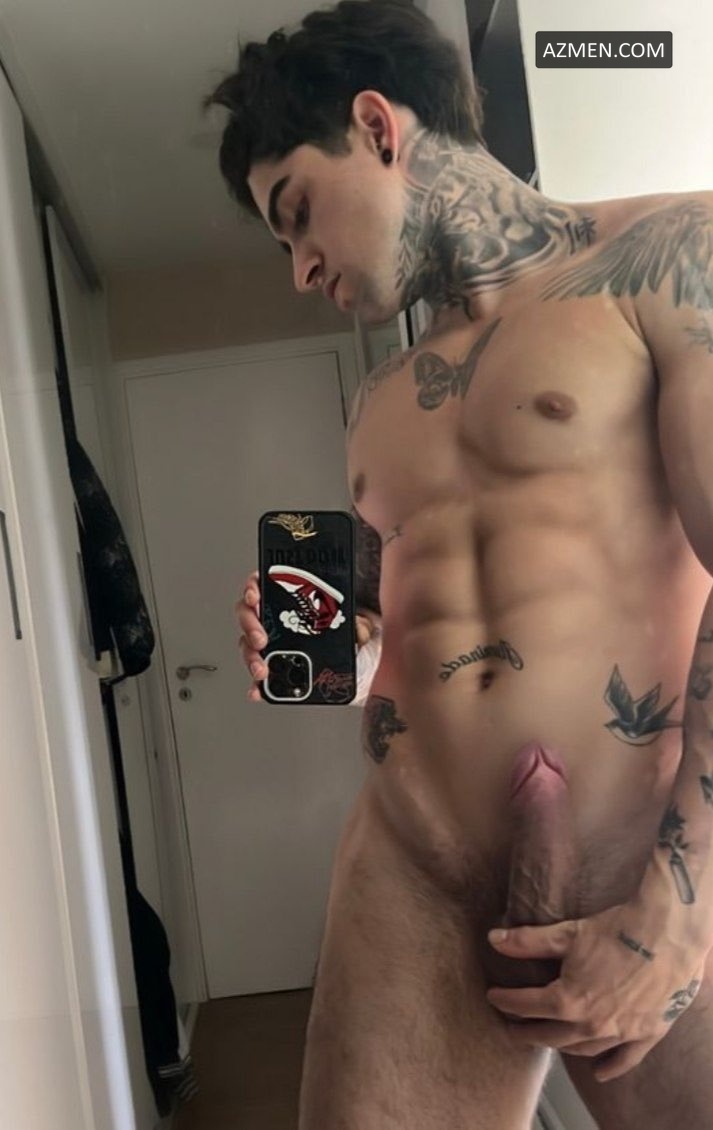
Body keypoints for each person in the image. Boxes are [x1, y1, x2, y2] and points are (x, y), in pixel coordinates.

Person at [204, 2, 713, 1126]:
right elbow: (387, 640)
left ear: (377, 126)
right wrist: (333, 651)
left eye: (297, 213)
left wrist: (685, 909)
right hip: (414, 861)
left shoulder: (672, 256)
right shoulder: (377, 400)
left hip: (650, 847)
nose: (300, 270)